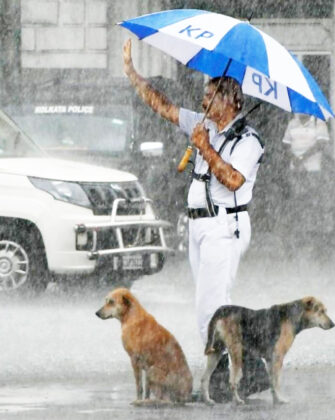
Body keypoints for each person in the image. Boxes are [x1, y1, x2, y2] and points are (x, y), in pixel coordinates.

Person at [122, 39, 269, 400]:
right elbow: (165, 107)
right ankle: (242, 372)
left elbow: (233, 180)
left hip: (225, 226)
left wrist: (204, 147)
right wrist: (132, 73)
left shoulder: (248, 140)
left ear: (231, 100)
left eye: (210, 96)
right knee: (211, 307)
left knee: (211, 308)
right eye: (204, 96)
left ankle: (238, 375)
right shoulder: (203, 124)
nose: (203, 102)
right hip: (200, 227)